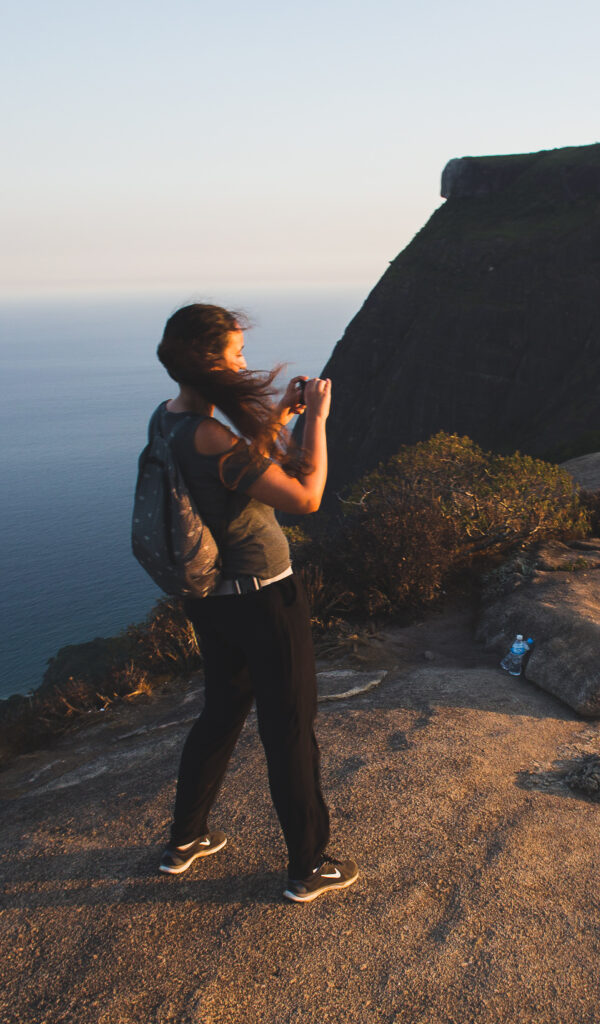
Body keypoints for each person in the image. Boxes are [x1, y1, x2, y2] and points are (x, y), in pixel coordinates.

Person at [153, 303, 357, 903]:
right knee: (290, 727)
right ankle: (307, 867)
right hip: (264, 598)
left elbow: (237, 467)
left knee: (220, 712)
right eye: (237, 354)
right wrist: (316, 419)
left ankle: (184, 841)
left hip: (210, 599)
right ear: (211, 360)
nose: (244, 365)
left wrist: (283, 415)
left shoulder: (166, 420)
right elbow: (305, 495)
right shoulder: (213, 436)